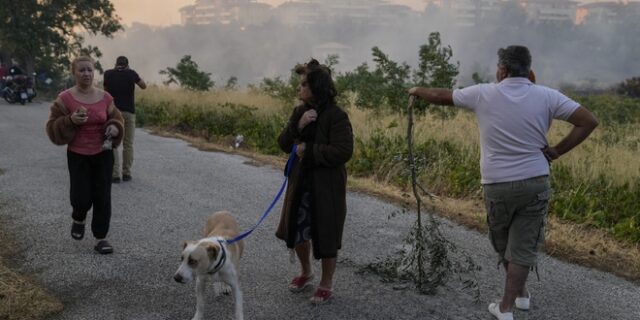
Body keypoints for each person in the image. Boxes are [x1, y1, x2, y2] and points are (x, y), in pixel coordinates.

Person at [408, 45, 598, 320]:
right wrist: (557, 150)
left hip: (497, 185)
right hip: (535, 181)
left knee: (504, 244)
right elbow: (589, 121)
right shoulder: (547, 96)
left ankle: (505, 308)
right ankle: (520, 296)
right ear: (529, 71)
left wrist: (416, 90)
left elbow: (441, 96)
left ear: (503, 70)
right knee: (521, 245)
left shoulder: (483, 93)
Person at [276, 58, 354, 305]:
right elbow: (283, 144)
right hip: (300, 183)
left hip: (326, 186)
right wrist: (298, 126)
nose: (298, 89)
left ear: (316, 87)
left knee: (327, 233)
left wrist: (308, 151)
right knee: (297, 229)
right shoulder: (299, 112)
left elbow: (343, 151)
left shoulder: (336, 116)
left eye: (303, 85)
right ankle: (306, 272)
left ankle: (326, 283)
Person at [46, 56, 125, 254]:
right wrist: (70, 120)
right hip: (78, 155)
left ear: (94, 72)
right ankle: (78, 217)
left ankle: (101, 238)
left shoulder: (106, 98)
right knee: (81, 197)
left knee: (102, 197)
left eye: (89, 70)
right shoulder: (64, 98)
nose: (86, 74)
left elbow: (117, 119)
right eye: (82, 70)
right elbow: (52, 128)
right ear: (74, 73)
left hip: (103, 154)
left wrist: (115, 128)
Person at [103, 56, 146, 183]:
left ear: (115, 64)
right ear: (127, 65)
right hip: (129, 113)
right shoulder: (131, 73)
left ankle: (115, 175)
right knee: (128, 144)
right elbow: (144, 86)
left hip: (113, 113)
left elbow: (105, 92)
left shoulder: (108, 74)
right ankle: (126, 173)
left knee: (113, 143)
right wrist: (130, 73)